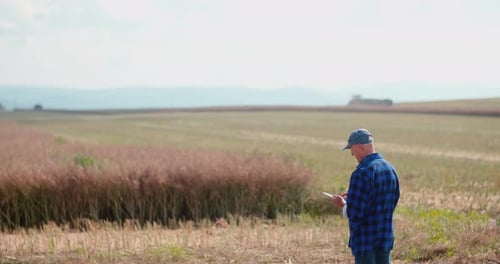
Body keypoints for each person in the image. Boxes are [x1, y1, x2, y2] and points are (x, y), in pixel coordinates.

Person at [331, 128, 400, 264]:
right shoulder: (390, 169)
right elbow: (392, 200)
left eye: (352, 149)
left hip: (365, 240)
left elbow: (355, 213)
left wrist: (343, 204)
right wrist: (355, 197)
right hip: (385, 237)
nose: (351, 154)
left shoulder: (361, 173)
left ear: (360, 147)